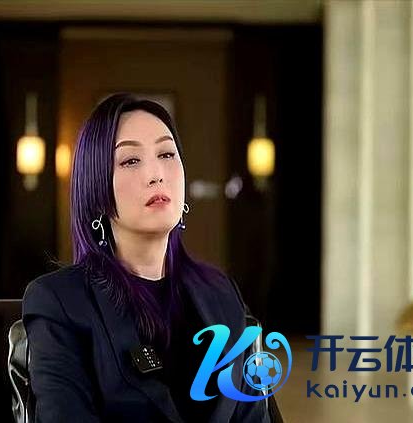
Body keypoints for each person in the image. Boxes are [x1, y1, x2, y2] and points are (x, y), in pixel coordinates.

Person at [22, 93, 282, 422]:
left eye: (166, 154)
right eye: (131, 160)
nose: (156, 174)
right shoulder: (60, 302)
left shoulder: (221, 293)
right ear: (96, 190)